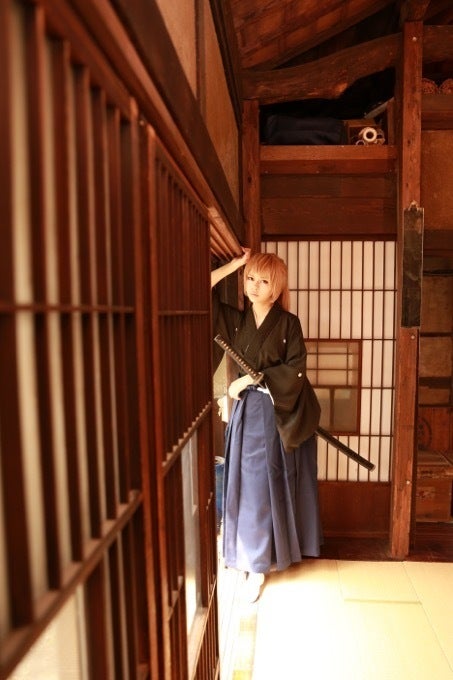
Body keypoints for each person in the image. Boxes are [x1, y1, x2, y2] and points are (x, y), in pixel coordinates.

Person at [211, 249, 322, 602]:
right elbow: (200, 289)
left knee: (259, 485)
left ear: (277, 287)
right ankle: (244, 554)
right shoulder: (237, 320)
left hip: (271, 411)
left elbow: (296, 369)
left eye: (264, 280)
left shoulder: (288, 324)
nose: (255, 286)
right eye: (250, 278)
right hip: (245, 412)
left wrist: (246, 381)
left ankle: (257, 564)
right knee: (243, 482)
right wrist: (234, 265)